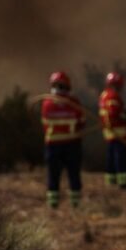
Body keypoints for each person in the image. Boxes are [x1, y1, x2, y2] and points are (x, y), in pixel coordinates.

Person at [40, 71, 85, 208]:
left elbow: (45, 124)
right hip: (71, 144)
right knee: (72, 172)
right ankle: (74, 202)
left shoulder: (47, 103)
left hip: (54, 145)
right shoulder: (73, 103)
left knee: (55, 174)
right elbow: (82, 122)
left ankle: (54, 202)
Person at [98, 71, 126, 189]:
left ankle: (111, 180)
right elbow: (115, 114)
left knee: (111, 156)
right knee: (121, 157)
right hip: (118, 132)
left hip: (110, 132)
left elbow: (113, 112)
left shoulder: (104, 95)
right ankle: (124, 183)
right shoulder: (113, 96)